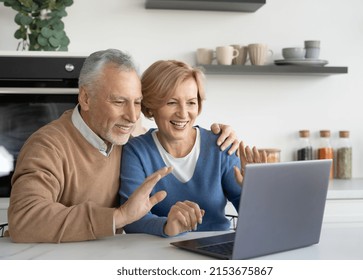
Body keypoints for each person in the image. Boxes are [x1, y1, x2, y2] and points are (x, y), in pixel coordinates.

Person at [7, 49, 239, 243]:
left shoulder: (125, 138)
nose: (131, 116)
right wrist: (117, 217)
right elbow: (25, 219)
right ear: (86, 98)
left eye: (137, 103)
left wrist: (223, 135)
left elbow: (173, 131)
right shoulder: (48, 146)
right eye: (119, 102)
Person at [119, 60, 256, 237]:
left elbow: (252, 214)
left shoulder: (220, 145)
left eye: (191, 103)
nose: (183, 113)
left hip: (217, 249)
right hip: (161, 253)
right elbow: (131, 218)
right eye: (171, 103)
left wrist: (254, 191)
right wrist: (167, 226)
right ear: (151, 106)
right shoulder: (136, 151)